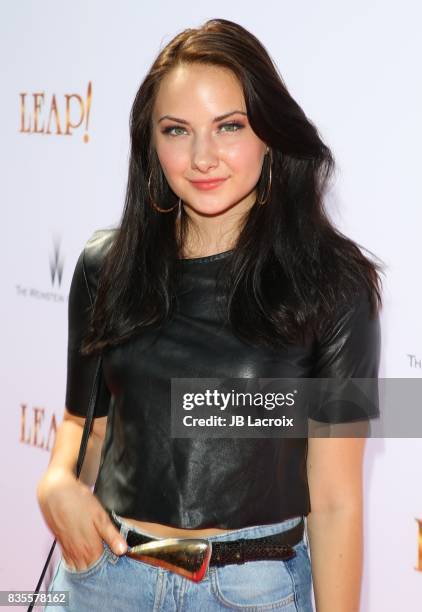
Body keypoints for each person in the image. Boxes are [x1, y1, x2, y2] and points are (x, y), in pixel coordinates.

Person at [37, 17, 383, 612]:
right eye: (177, 130)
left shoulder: (333, 283)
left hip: (251, 590)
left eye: (229, 126)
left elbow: (334, 500)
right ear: (152, 143)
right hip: (107, 578)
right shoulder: (106, 265)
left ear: (269, 135)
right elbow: (84, 426)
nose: (203, 156)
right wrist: (57, 483)